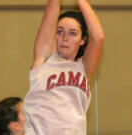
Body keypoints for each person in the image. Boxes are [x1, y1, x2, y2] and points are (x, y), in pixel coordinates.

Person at [24, 0, 104, 135]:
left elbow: (99, 37)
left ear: (83, 39)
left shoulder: (83, 68)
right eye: (60, 32)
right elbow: (52, 7)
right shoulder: (44, 59)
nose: (65, 38)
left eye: (72, 33)